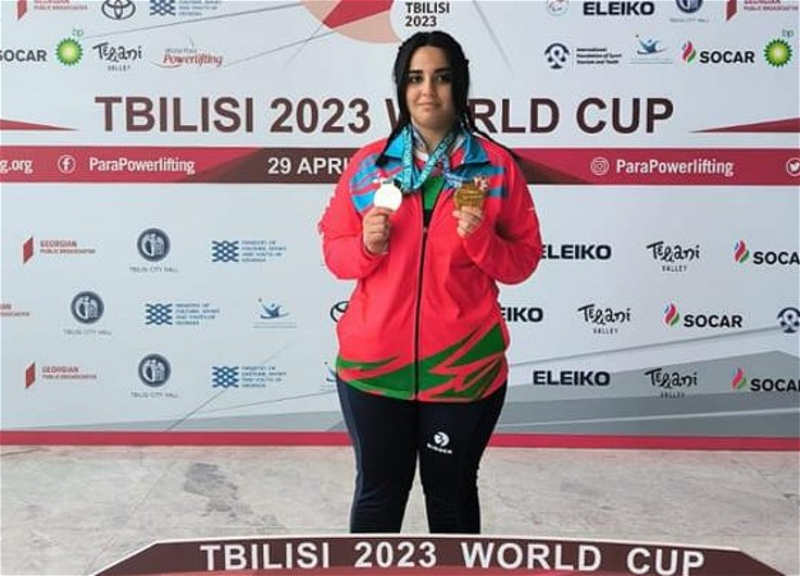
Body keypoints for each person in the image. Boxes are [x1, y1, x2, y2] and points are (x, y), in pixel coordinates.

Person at [317, 30, 543, 534]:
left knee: (452, 499)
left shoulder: (495, 168)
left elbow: (523, 260)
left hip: (463, 370)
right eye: (415, 78)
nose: (428, 91)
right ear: (401, 88)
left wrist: (481, 240)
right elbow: (335, 251)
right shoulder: (370, 166)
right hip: (373, 369)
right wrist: (365, 246)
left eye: (441, 78)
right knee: (377, 496)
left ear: (459, 85)